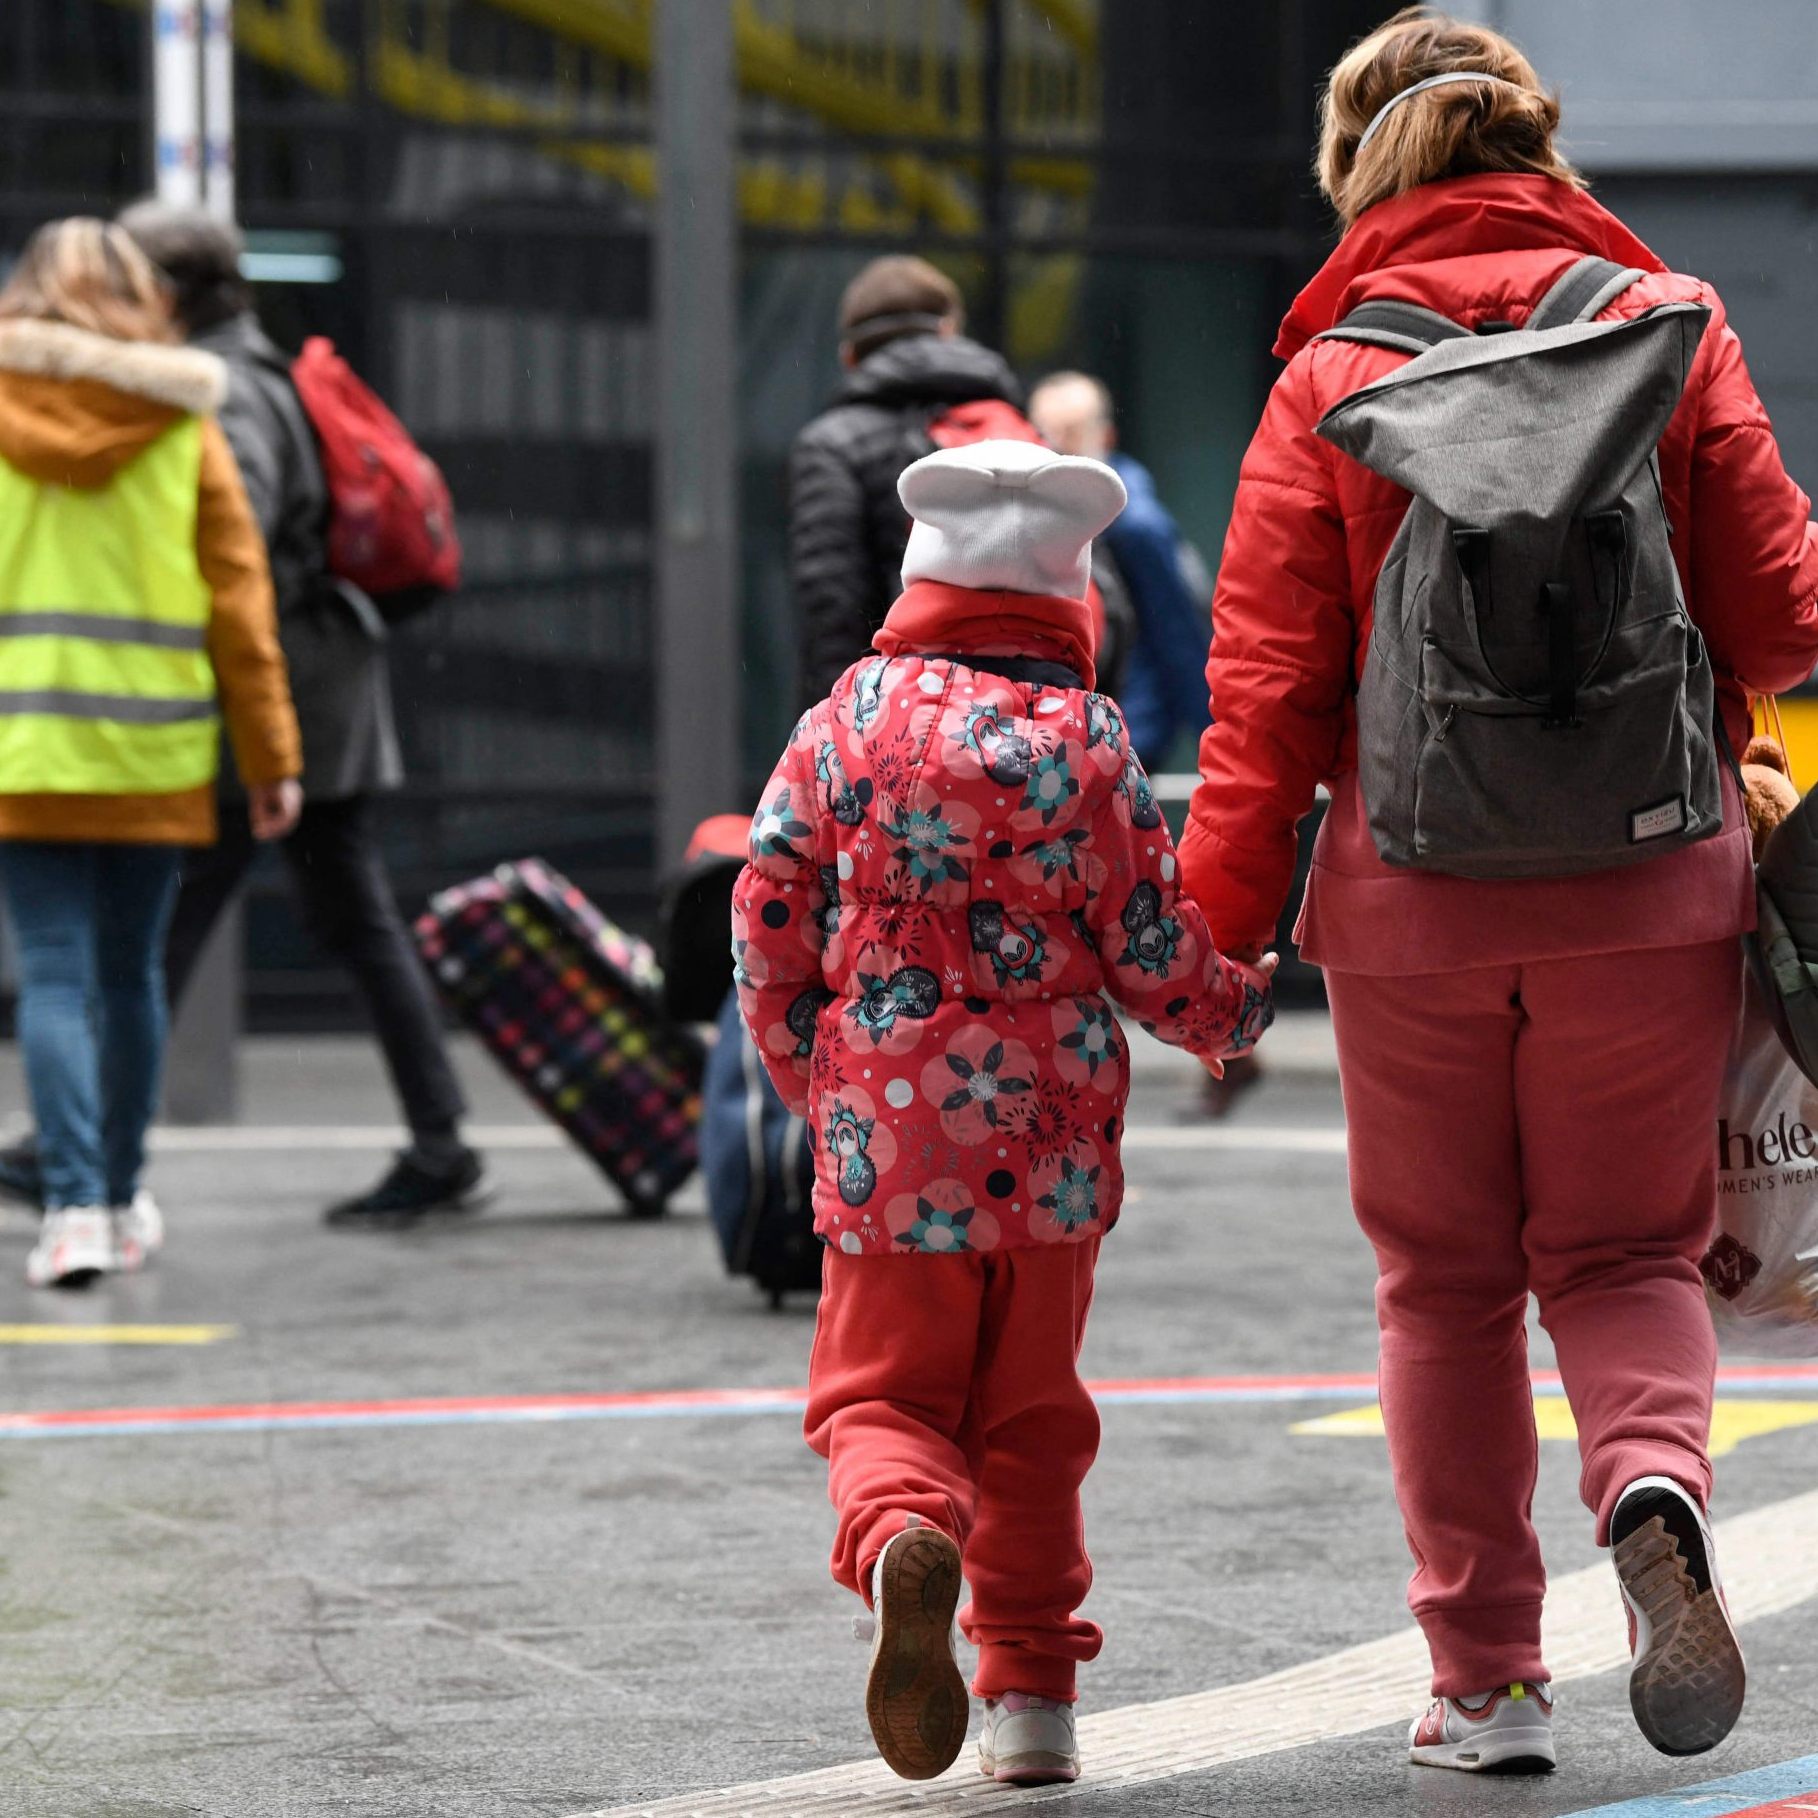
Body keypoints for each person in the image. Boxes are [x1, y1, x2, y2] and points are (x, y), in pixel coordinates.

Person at [1181, 6, 1818, 1775]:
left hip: (1407, 902)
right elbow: (1779, 618)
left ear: (1350, 170)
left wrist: (1215, 937)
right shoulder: (1668, 326)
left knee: (1442, 1283)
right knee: (1619, 1250)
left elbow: (1262, 692)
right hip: (1651, 886)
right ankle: (1652, 1496)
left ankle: (1483, 1682)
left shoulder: (1326, 376)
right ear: (1542, 149)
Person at [734, 438, 1274, 1786]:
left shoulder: (839, 725)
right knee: (1032, 1421)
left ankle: (902, 1531)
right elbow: (1148, 938)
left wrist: (813, 1073)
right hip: (1047, 1157)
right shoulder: (1087, 745)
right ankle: (1029, 1698)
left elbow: (768, 916)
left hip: (884, 1140)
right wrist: (1229, 1012)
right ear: (1065, 603)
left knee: (876, 1399)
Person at [110, 202, 488, 1229]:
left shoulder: (223, 390)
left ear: (165, 294)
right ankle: (440, 1136)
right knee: (334, 920)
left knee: (171, 917)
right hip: (311, 691)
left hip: (285, 705)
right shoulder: (259, 370)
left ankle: (83, 1136)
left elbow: (235, 548)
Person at [0, 218, 302, 1288]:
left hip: (23, 746)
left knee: (49, 971)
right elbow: (241, 606)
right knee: (128, 974)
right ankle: (120, 1201)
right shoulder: (185, 426)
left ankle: (72, 1207)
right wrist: (272, 761)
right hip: (155, 754)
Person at [789, 255, 1026, 710]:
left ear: (850, 357)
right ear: (948, 332)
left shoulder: (830, 446)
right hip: (1036, 726)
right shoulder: (1013, 426)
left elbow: (833, 616)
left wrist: (835, 741)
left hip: (909, 722)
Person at [1028, 372, 1212, 769]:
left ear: (1105, 437)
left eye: (1072, 433)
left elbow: (1180, 637)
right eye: (1048, 435)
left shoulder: (1135, 525)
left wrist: (1217, 746)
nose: (1060, 447)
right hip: (1071, 734)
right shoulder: (1044, 517)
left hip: (1125, 735)